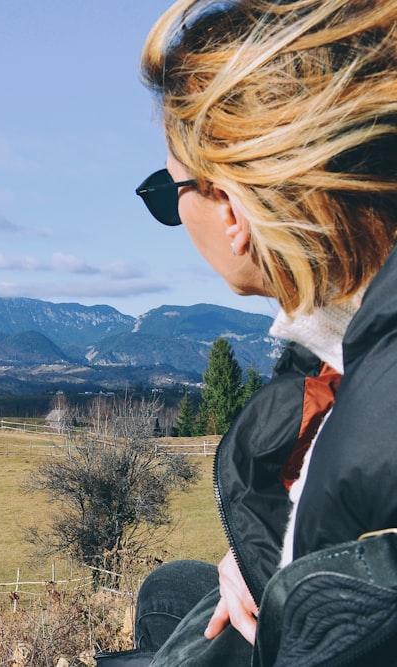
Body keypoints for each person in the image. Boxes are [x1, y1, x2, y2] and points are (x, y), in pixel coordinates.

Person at [98, 1, 397, 665]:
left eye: (168, 194)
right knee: (173, 592)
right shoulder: (348, 355)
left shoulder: (378, 411)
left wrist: (290, 584)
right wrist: (267, 557)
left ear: (232, 209)